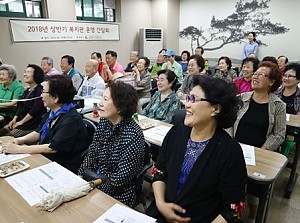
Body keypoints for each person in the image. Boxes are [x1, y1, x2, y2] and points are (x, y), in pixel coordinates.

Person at [147, 75, 247, 223]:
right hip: (161, 213)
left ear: (215, 109)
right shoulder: (176, 133)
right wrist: (161, 205)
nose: (187, 104)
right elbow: (159, 172)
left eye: (193, 99)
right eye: (188, 98)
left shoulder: (230, 150)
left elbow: (233, 209)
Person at [229, 61, 285, 222]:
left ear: (272, 82)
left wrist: (261, 151)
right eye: (255, 73)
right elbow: (229, 123)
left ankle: (253, 215)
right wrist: (231, 145)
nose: (255, 77)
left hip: (260, 152)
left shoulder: (278, 105)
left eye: (261, 74)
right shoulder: (241, 98)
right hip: (236, 147)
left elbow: (279, 134)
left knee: (254, 189)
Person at [0, 75, 88, 174]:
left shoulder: (71, 119)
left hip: (62, 167)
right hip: (46, 159)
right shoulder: (53, 113)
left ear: (55, 98)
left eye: (44, 92)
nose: (41, 95)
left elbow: (52, 148)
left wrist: (19, 149)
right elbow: (38, 132)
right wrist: (18, 140)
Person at [78, 81, 145, 207]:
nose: (100, 104)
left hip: (116, 191)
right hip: (93, 179)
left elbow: (120, 179)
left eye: (105, 99)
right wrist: (80, 176)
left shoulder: (133, 135)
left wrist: (91, 188)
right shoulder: (104, 121)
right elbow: (92, 152)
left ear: (120, 106)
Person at [0, 64, 46, 137]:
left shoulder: (40, 90)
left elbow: (34, 110)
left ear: (36, 75)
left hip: (31, 124)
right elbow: (20, 106)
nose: (25, 74)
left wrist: (21, 122)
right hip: (20, 121)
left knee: (7, 137)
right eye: (25, 72)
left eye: (28, 72)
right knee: (1, 132)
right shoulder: (27, 90)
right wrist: (14, 119)